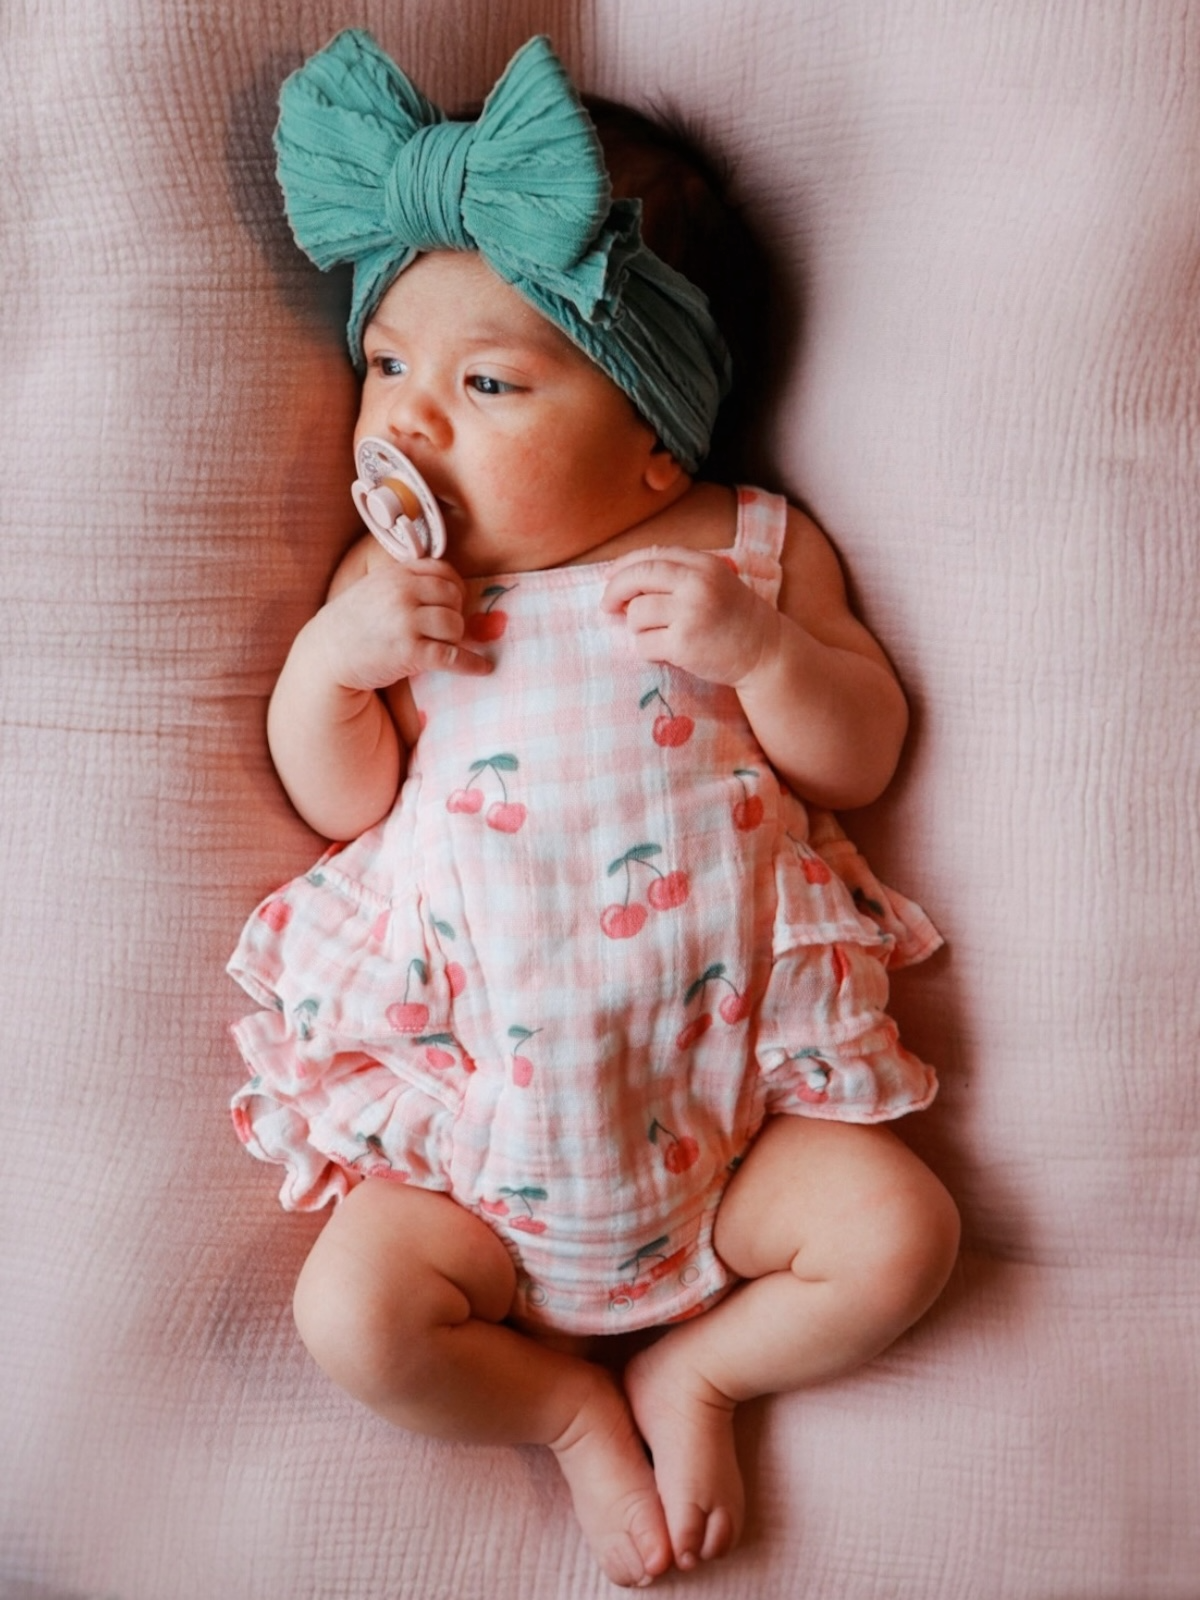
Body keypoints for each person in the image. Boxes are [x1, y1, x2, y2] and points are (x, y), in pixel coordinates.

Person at [228, 31, 960, 1589]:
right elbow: (342, 800)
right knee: (354, 1314)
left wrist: (765, 653)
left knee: (902, 1237)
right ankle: (565, 1410)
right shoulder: (398, 587)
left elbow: (863, 755)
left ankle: (705, 1369)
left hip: (736, 1118)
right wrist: (333, 670)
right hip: (474, 1138)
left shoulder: (746, 549)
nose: (407, 424)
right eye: (388, 365)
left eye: (487, 381)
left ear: (653, 442)